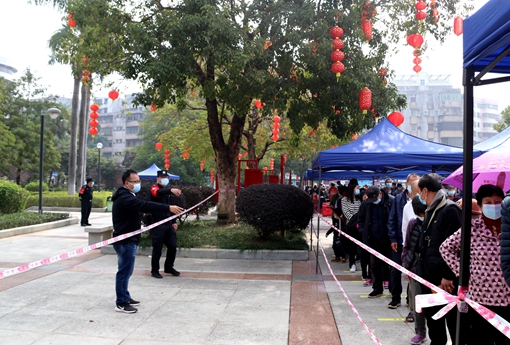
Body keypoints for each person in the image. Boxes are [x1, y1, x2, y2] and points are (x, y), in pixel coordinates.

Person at [441, 184, 510, 345]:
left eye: (497, 202)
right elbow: (446, 248)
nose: (494, 206)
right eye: (488, 202)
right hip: (481, 298)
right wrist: (464, 272)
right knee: (481, 340)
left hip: (507, 299)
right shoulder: (471, 228)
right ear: (479, 205)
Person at [111, 169, 184, 313]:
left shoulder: (128, 194)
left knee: (127, 271)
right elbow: (145, 205)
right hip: (125, 241)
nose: (138, 183)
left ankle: (125, 296)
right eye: (135, 181)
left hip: (130, 239)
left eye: (139, 180)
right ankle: (121, 302)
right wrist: (168, 207)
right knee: (124, 272)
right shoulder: (125, 197)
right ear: (127, 183)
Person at [415, 173, 461, 344]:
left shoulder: (449, 210)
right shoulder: (431, 209)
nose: (420, 196)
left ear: (425, 190)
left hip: (444, 279)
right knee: (434, 320)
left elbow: (457, 247)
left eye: (420, 192)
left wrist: (448, 275)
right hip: (428, 275)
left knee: (452, 321)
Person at [387, 173, 419, 309]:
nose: (412, 186)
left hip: (414, 243)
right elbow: (392, 219)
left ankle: (409, 298)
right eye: (410, 183)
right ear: (406, 184)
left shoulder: (422, 200)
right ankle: (395, 297)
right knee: (395, 270)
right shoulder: (399, 199)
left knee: (411, 272)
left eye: (415, 184)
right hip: (399, 241)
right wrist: (393, 238)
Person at [357, 186, 394, 298]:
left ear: (380, 194)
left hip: (388, 240)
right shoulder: (366, 204)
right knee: (374, 265)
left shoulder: (391, 201)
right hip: (372, 239)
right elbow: (360, 219)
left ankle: (393, 289)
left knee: (391, 266)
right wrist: (363, 231)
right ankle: (377, 288)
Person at [402, 196, 428, 345]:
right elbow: (407, 246)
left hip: (431, 267)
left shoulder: (436, 222)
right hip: (415, 266)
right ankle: (420, 332)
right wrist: (407, 266)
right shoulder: (412, 223)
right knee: (417, 299)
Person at [150, 170, 183, 278]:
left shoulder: (167, 192)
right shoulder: (155, 188)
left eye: (166, 177)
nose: (165, 179)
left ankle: (168, 267)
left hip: (168, 223)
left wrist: (173, 221)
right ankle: (154, 270)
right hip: (157, 223)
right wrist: (170, 190)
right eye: (162, 177)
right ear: (157, 179)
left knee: (172, 246)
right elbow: (157, 193)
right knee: (157, 248)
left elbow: (169, 208)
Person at [341, 179, 362, 272]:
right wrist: (355, 219)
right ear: (353, 188)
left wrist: (359, 220)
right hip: (351, 225)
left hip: (359, 225)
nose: (358, 189)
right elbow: (346, 212)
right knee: (351, 246)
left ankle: (361, 261)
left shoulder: (359, 199)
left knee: (360, 245)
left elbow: (361, 210)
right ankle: (352, 263)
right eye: (357, 188)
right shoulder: (344, 200)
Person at [327, 185, 347, 262]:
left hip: (339, 233)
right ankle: (338, 256)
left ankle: (343, 256)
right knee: (335, 245)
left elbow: (340, 228)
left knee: (340, 244)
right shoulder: (335, 197)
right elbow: (331, 204)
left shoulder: (346, 198)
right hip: (336, 230)